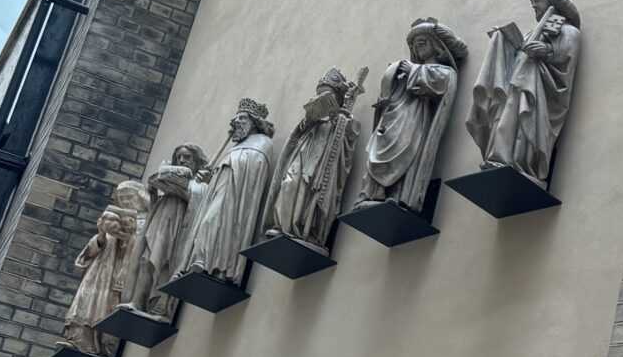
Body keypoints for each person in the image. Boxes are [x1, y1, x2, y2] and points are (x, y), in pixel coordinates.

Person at [468, 0, 582, 186]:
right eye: (532, 2)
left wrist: (546, 51)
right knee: (504, 117)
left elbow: (566, 57)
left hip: (534, 88)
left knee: (519, 117)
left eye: (538, 0)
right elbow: (518, 55)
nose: (534, 6)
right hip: (516, 83)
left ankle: (518, 161)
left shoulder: (567, 31)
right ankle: (500, 157)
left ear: (553, 1)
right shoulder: (531, 33)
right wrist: (503, 42)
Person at [359, 19, 469, 213]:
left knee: (407, 154)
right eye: (415, 45)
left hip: (415, 121)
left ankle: (398, 195)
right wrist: (394, 78)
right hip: (395, 119)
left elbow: (441, 83)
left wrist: (414, 71)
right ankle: (371, 195)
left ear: (436, 46)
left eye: (422, 42)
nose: (418, 47)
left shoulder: (445, 71)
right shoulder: (410, 69)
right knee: (380, 150)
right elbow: (391, 96)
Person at [173, 100, 277, 286]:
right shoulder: (234, 147)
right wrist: (210, 177)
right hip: (220, 192)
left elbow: (255, 170)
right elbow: (222, 174)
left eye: (242, 118)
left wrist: (232, 168)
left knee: (215, 222)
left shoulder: (263, 142)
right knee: (207, 222)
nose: (236, 121)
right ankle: (201, 260)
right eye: (236, 118)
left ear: (254, 122)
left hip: (236, 196)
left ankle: (217, 266)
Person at [267, 69, 363, 247]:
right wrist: (308, 120)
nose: (321, 98)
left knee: (310, 191)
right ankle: (282, 225)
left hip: (321, 162)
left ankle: (304, 229)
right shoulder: (315, 121)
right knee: (289, 183)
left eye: (327, 95)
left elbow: (351, 135)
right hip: (304, 153)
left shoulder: (343, 118)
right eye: (319, 95)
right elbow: (297, 135)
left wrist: (340, 119)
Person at [121, 144, 206, 323]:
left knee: (164, 262)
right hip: (159, 224)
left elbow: (199, 202)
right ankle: (137, 302)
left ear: (197, 161)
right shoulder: (171, 186)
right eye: (179, 157)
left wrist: (183, 185)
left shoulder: (199, 183)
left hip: (177, 227)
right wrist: (153, 192)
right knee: (146, 259)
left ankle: (160, 307)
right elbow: (154, 206)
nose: (182, 161)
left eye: (187, 157)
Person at [64, 181, 148, 357]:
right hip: (100, 271)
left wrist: (126, 237)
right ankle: (80, 340)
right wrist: (102, 233)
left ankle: (104, 346)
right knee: (87, 302)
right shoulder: (114, 219)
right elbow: (90, 252)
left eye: (129, 196)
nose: (125, 201)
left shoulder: (146, 221)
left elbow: (144, 248)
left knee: (106, 306)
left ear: (141, 197)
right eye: (121, 198)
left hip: (120, 272)